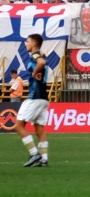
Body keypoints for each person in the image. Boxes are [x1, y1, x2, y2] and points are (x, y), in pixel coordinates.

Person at [14, 34, 49, 167]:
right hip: (43, 98)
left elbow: (41, 62)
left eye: (27, 41)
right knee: (39, 129)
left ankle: (34, 154)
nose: (25, 43)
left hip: (34, 97)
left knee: (18, 126)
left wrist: (34, 73)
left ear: (33, 44)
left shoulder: (36, 55)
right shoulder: (41, 53)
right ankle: (44, 160)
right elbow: (43, 60)